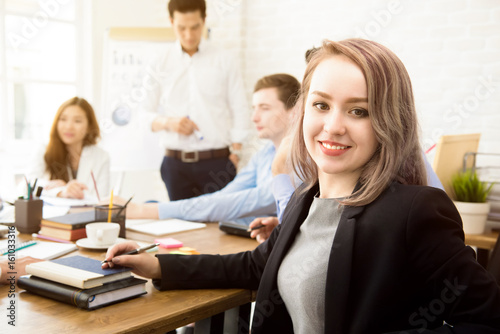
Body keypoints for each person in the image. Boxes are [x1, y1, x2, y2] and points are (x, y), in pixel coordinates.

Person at [104, 39, 500, 333]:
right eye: (321, 105)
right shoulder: (305, 198)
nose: (333, 125)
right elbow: (255, 265)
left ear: (388, 122)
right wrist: (155, 264)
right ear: (304, 109)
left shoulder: (415, 211)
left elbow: (484, 319)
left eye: (358, 110)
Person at [113, 73, 300, 223]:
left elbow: (240, 203)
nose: (254, 117)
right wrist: (154, 208)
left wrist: (143, 210)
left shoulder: (301, 161)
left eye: (264, 108)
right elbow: (224, 197)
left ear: (294, 112)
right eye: (254, 108)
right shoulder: (264, 154)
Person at [144, 0, 250, 201]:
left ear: (204, 20)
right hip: (175, 165)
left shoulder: (224, 59)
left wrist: (236, 154)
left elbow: (240, 108)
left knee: (218, 227)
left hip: (217, 162)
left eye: (195, 27)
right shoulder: (159, 61)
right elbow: (143, 114)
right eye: (181, 28)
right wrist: (169, 122)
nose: (189, 35)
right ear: (171, 21)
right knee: (181, 228)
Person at [27, 97, 109, 200]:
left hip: (88, 214)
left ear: (89, 125)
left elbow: (101, 198)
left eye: (77, 121)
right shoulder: (44, 150)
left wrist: (77, 192)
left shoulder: (101, 157)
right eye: (63, 119)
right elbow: (28, 185)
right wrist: (61, 191)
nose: (69, 126)